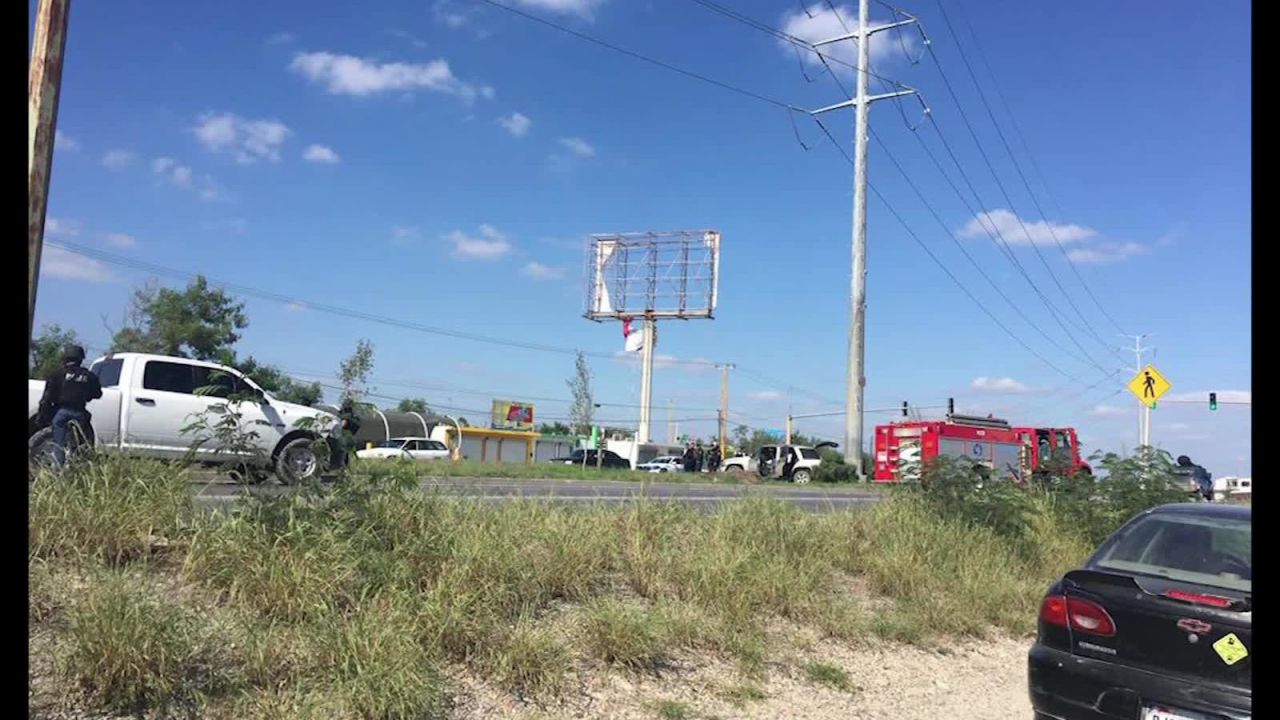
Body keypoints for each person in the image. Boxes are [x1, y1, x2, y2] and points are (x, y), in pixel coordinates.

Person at [37, 345, 103, 468]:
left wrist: (41, 417)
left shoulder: (57, 374)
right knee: (80, 446)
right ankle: (77, 471)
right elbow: (98, 394)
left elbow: (46, 398)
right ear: (81, 359)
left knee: (58, 445)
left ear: (65, 358)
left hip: (61, 413)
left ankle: (57, 472)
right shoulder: (89, 376)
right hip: (80, 414)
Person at [330, 400, 363, 471]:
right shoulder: (355, 417)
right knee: (347, 454)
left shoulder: (345, 416)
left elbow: (343, 424)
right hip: (351, 437)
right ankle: (346, 469)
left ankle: (341, 468)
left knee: (341, 453)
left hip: (344, 437)